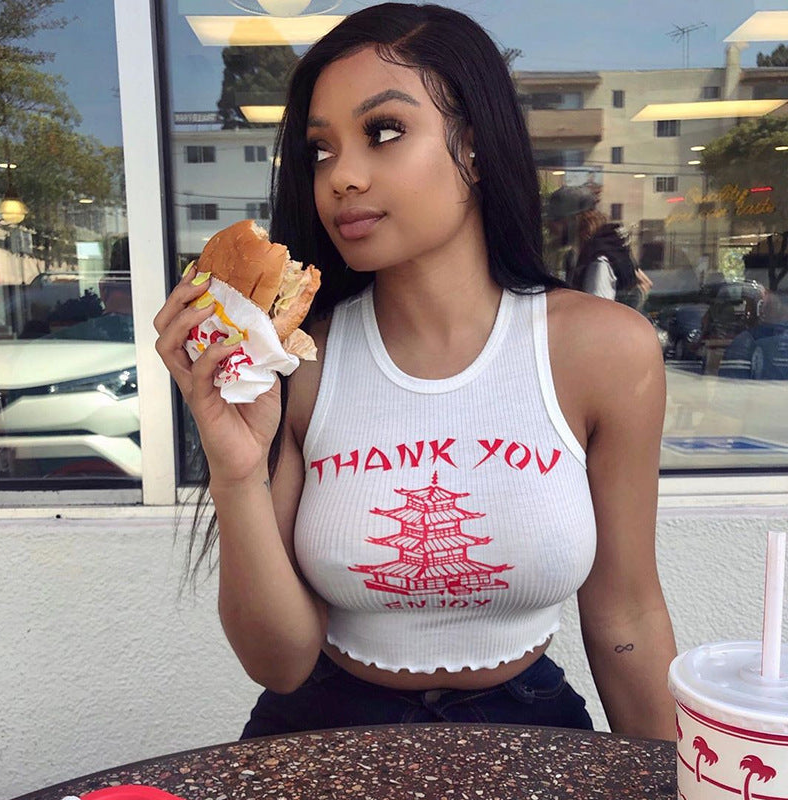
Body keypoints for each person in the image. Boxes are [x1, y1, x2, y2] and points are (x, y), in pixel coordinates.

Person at [154, 3, 676, 740]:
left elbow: (626, 612)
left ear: (477, 148)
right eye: (321, 150)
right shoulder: (299, 358)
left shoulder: (604, 351)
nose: (341, 177)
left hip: (528, 733)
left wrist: (683, 781)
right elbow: (279, 662)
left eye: (384, 132)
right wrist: (237, 472)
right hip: (321, 732)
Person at [547, 185, 653, 308]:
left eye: (556, 220)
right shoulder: (579, 254)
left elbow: (596, 316)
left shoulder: (598, 261)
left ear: (574, 220)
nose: (549, 227)